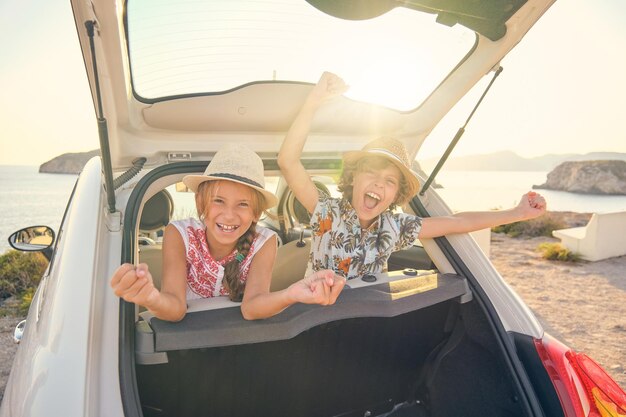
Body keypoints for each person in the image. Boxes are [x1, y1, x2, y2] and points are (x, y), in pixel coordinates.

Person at [278, 71, 547, 279]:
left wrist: (517, 213)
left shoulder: (396, 228)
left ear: (396, 194)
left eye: (389, 181)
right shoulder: (325, 211)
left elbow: (457, 222)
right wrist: (314, 101)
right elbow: (288, 162)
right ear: (352, 178)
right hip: (315, 324)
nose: (377, 184)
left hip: (366, 328)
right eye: (370, 173)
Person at [111, 144, 345, 321]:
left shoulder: (265, 242)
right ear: (201, 203)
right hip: (185, 337)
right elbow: (176, 308)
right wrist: (150, 297)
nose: (229, 215)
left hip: (235, 338)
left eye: (243, 204)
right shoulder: (179, 235)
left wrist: (291, 294)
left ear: (256, 213)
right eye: (219, 201)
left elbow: (251, 308)